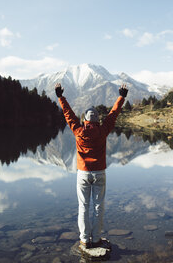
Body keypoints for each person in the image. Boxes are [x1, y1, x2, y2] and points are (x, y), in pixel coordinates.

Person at [55, 83, 128, 249]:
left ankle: (84, 240)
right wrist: (121, 97)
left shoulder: (78, 130)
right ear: (97, 119)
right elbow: (113, 114)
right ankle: (96, 239)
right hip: (100, 173)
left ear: (85, 120)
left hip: (83, 173)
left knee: (83, 207)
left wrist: (60, 97)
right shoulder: (103, 130)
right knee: (98, 207)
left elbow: (68, 114)